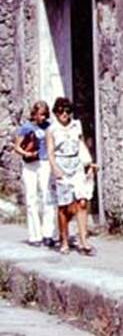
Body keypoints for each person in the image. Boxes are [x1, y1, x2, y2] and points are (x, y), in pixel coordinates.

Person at [46, 97, 98, 255]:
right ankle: (64, 240)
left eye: (67, 111)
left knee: (82, 202)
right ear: (56, 113)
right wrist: (55, 168)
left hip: (76, 165)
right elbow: (50, 152)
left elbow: (81, 145)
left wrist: (89, 163)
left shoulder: (76, 126)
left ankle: (83, 240)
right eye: (61, 111)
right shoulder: (52, 130)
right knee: (64, 206)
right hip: (61, 166)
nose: (64, 114)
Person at [12, 100, 56, 247]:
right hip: (30, 163)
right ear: (34, 114)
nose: (42, 117)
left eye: (44, 114)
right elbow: (17, 147)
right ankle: (34, 235)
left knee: (46, 195)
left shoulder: (49, 127)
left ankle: (48, 233)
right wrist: (27, 153)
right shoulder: (27, 127)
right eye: (40, 114)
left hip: (44, 162)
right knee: (32, 198)